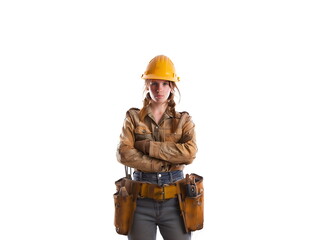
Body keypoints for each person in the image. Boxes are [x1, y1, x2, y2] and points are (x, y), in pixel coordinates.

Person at [116, 55, 197, 240]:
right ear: (147, 85)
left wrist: (148, 147)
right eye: (153, 83)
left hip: (176, 201)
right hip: (140, 201)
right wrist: (161, 165)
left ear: (172, 86)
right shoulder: (133, 117)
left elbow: (190, 153)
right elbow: (123, 153)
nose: (159, 89)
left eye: (164, 84)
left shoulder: (183, 120)